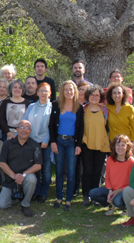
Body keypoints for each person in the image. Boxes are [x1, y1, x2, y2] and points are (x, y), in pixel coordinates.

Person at [49, 80, 84, 211]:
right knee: (58, 171)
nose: (69, 92)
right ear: (62, 91)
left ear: (75, 91)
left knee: (71, 172)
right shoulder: (56, 105)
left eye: (71, 89)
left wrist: (78, 144)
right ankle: (59, 197)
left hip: (71, 143)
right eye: (66, 89)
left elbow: (81, 128)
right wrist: (53, 142)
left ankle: (68, 200)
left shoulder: (79, 107)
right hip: (59, 141)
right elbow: (51, 125)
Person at [0, 120, 42, 217]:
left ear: (30, 131)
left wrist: (23, 175)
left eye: (27, 128)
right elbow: (1, 163)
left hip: (26, 177)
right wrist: (14, 176)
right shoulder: (8, 144)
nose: (24, 130)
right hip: (11, 178)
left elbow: (38, 165)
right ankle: (18, 197)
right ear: (17, 130)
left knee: (32, 179)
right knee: (2, 205)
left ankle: (25, 204)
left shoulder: (35, 145)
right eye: (21, 127)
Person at [89, 135, 134, 216]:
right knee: (93, 193)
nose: (120, 147)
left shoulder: (132, 161)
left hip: (124, 191)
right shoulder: (110, 159)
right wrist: (110, 190)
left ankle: (125, 207)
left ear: (127, 147)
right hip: (112, 189)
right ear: (114, 146)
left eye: (123, 145)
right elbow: (107, 178)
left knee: (117, 201)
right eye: (118, 145)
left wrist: (119, 190)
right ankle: (111, 204)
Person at [81, 85, 111, 206]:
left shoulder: (105, 110)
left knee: (97, 171)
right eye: (92, 95)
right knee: (87, 170)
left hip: (101, 144)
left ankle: (94, 195)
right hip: (86, 143)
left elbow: (108, 127)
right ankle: (85, 195)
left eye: (97, 95)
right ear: (88, 96)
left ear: (100, 97)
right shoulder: (83, 109)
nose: (94, 97)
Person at [23, 83, 53, 203]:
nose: (43, 93)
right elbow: (25, 122)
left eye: (46, 91)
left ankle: (43, 193)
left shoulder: (52, 107)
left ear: (50, 93)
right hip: (31, 142)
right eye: (41, 90)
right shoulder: (31, 107)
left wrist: (46, 140)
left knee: (46, 169)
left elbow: (52, 126)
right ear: (37, 92)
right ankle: (35, 191)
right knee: (35, 169)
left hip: (45, 143)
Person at [106, 83, 134, 153]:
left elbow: (133, 128)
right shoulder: (107, 108)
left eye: (119, 93)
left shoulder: (130, 109)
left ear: (123, 94)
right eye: (114, 93)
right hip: (112, 144)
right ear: (111, 95)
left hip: (125, 144)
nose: (117, 95)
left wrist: (133, 143)